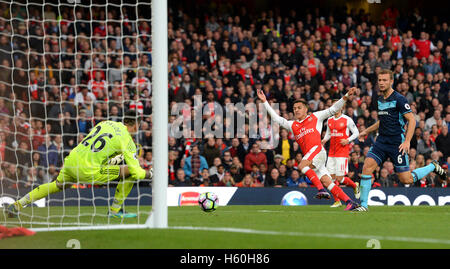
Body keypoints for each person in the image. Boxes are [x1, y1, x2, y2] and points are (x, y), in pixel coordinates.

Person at [6, 110, 153, 218]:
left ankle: (18, 204)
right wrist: (150, 173)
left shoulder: (106, 123)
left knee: (58, 185)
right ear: (135, 125)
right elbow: (137, 173)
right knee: (130, 172)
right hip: (88, 170)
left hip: (72, 161)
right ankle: (115, 211)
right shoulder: (127, 140)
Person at [354, 70, 446, 211]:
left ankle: (433, 166)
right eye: (379, 80)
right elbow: (383, 120)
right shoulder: (380, 99)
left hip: (397, 143)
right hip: (381, 142)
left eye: (385, 80)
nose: (381, 83)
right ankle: (363, 206)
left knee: (406, 179)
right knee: (367, 167)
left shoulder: (399, 99)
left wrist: (407, 141)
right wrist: (366, 131)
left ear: (391, 81)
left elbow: (412, 121)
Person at [257, 86, 360, 210]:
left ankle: (321, 190)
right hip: (313, 158)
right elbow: (276, 119)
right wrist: (264, 102)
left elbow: (333, 109)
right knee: (328, 182)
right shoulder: (292, 125)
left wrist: (346, 96)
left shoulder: (316, 117)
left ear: (306, 109)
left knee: (302, 165)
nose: (296, 110)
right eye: (294, 108)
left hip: (317, 151)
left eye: (299, 108)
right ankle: (350, 202)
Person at [322, 100, 360, 208]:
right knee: (331, 178)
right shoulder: (329, 120)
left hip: (342, 153)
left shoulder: (347, 119)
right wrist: (324, 140)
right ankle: (337, 201)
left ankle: (354, 185)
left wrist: (347, 140)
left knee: (339, 179)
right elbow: (329, 133)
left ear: (341, 107)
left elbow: (356, 132)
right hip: (331, 153)